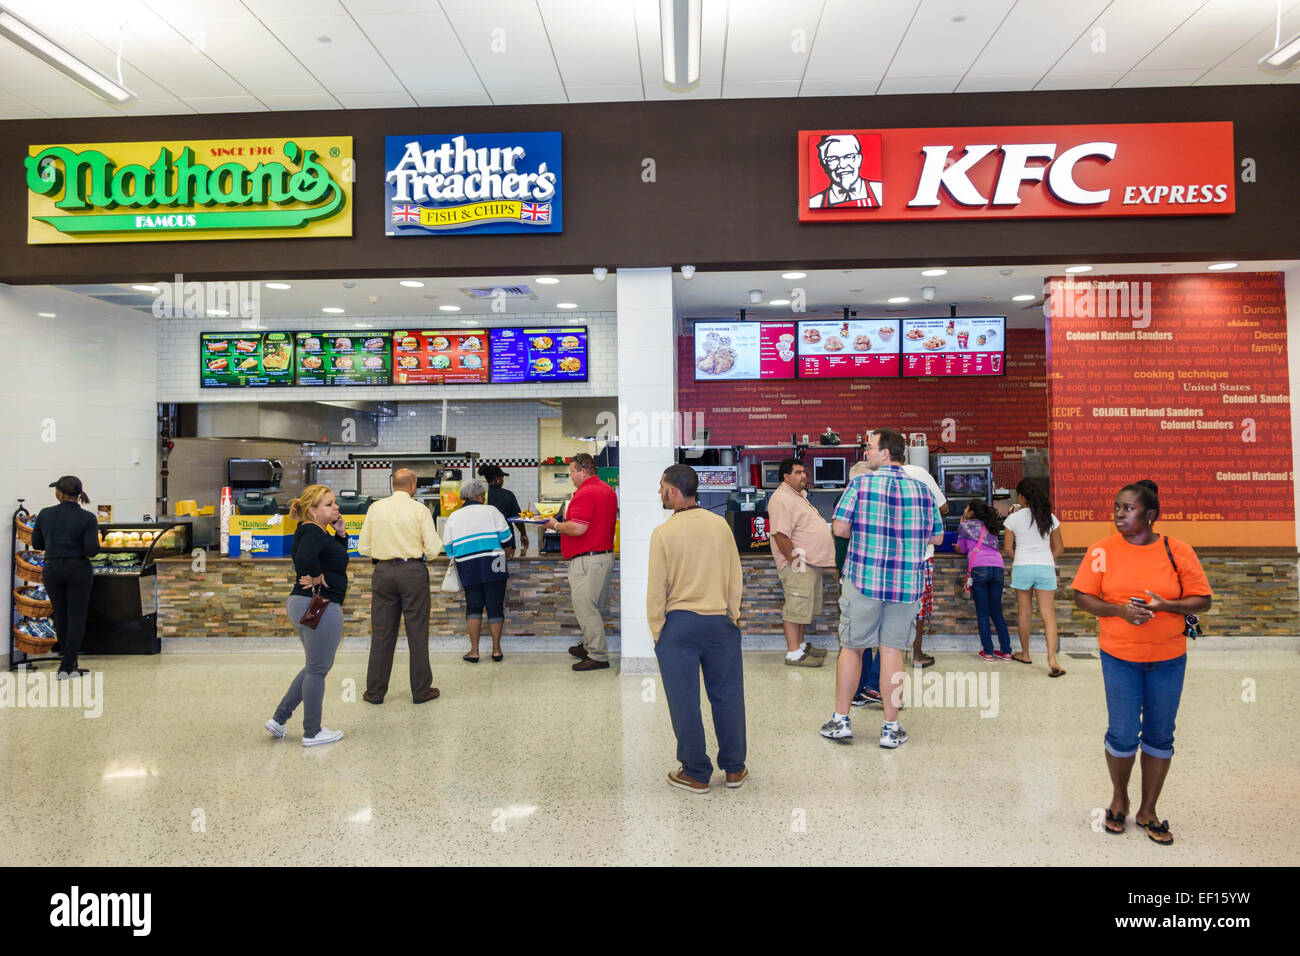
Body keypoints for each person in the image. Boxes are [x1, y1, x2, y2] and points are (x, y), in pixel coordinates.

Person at [1071, 480, 1211, 845]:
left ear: (1150, 515)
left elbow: (1202, 600)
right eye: (1117, 506)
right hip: (1119, 656)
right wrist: (1118, 610)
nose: (1119, 513)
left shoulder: (1177, 551)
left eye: (1128, 508)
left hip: (1168, 658)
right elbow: (1082, 595)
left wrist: (1167, 606)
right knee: (1121, 732)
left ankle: (1148, 810)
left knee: (1161, 734)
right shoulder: (1101, 550)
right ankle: (1119, 797)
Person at [822, 428, 943, 749]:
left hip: (864, 580)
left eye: (871, 447)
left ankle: (841, 721)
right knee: (892, 652)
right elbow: (937, 537)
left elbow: (840, 528)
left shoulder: (860, 484)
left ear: (886, 453)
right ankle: (891, 728)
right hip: (906, 585)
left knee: (852, 648)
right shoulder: (922, 491)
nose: (866, 452)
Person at [647, 464, 746, 793]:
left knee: (684, 700)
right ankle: (734, 770)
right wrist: (732, 616)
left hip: (679, 627)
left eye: (662, 487)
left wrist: (658, 630)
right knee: (728, 696)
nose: (659, 492)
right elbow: (735, 577)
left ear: (674, 492)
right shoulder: (720, 526)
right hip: (720, 623)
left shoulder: (663, 533)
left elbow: (656, 589)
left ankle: (696, 773)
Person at [268, 485, 349, 747]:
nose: (335, 507)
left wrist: (340, 535)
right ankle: (312, 732)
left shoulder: (315, 531)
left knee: (314, 665)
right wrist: (315, 576)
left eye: (334, 503)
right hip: (319, 604)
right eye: (329, 504)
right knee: (318, 668)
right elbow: (304, 558)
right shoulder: (312, 532)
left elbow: (332, 560)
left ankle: (279, 719)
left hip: (305, 603)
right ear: (313, 511)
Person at [356, 468, 443, 704]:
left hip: (382, 572)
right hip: (412, 572)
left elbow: (363, 547)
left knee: (382, 633)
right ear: (413, 485)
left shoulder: (375, 508)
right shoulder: (419, 509)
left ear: (392, 484)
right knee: (417, 631)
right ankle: (421, 690)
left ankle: (374, 692)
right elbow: (433, 550)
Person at [545, 454, 618, 672]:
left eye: (572, 472)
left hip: (588, 560)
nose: (571, 477)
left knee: (586, 608)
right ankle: (589, 645)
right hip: (601, 556)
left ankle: (597, 655)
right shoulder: (606, 489)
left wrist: (555, 525)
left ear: (583, 471)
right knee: (592, 606)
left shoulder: (586, 493)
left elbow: (578, 528)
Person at [767, 457, 833, 667]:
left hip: (808, 562)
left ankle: (801, 646)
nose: (803, 476)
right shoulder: (781, 498)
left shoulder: (797, 496)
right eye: (797, 472)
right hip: (797, 564)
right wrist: (795, 563)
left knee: (803, 607)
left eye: (804, 472)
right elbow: (780, 534)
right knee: (795, 607)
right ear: (785, 477)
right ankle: (793, 653)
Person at [31, 476, 99, 679]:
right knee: (76, 616)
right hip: (78, 568)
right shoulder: (87, 518)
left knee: (60, 614)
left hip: (52, 569)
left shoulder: (45, 514)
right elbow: (92, 550)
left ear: (60, 494)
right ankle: (68, 665)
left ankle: (67, 663)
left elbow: (37, 544)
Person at [441, 477, 515, 663]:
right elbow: (507, 540)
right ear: (481, 496)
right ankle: (496, 650)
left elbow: (448, 548)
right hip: (494, 562)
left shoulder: (454, 516)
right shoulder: (492, 511)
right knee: (495, 606)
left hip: (468, 563)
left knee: (473, 606)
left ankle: (474, 651)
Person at [1002, 479, 1065, 676]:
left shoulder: (1013, 519)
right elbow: (1060, 547)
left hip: (1023, 566)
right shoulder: (1050, 517)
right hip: (1045, 567)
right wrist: (1045, 559)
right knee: (1048, 614)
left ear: (1021, 497)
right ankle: (1052, 659)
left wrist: (1022, 558)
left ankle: (1026, 654)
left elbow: (1007, 549)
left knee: (1024, 613)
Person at [894, 442, 948, 667]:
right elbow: (944, 508)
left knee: (892, 607)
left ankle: (892, 657)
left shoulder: (874, 478)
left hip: (891, 556)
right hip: (921, 555)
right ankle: (917, 655)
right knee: (919, 608)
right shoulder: (919, 473)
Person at [841, 461, 880, 707]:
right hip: (858, 579)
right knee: (860, 641)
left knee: (876, 641)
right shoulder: (849, 504)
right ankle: (863, 688)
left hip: (875, 579)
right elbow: (841, 540)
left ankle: (868, 687)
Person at [956, 499, 1013, 662]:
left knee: (983, 612)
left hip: (980, 569)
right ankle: (1006, 651)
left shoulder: (966, 526)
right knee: (996, 612)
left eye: (966, 508)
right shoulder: (991, 525)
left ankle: (988, 651)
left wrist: (961, 529)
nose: (964, 510)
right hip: (998, 568)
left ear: (971, 512)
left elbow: (961, 548)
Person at [809, 133, 883, 208]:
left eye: (849, 157)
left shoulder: (879, 191)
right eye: (833, 158)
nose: (842, 165)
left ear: (859, 159)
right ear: (825, 164)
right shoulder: (815, 203)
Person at [481, 464, 528, 553]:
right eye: (502, 478)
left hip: (487, 538)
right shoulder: (508, 495)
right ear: (497, 480)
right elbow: (517, 518)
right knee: (508, 563)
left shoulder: (482, 496)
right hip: (506, 538)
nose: (503, 481)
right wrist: (523, 534)